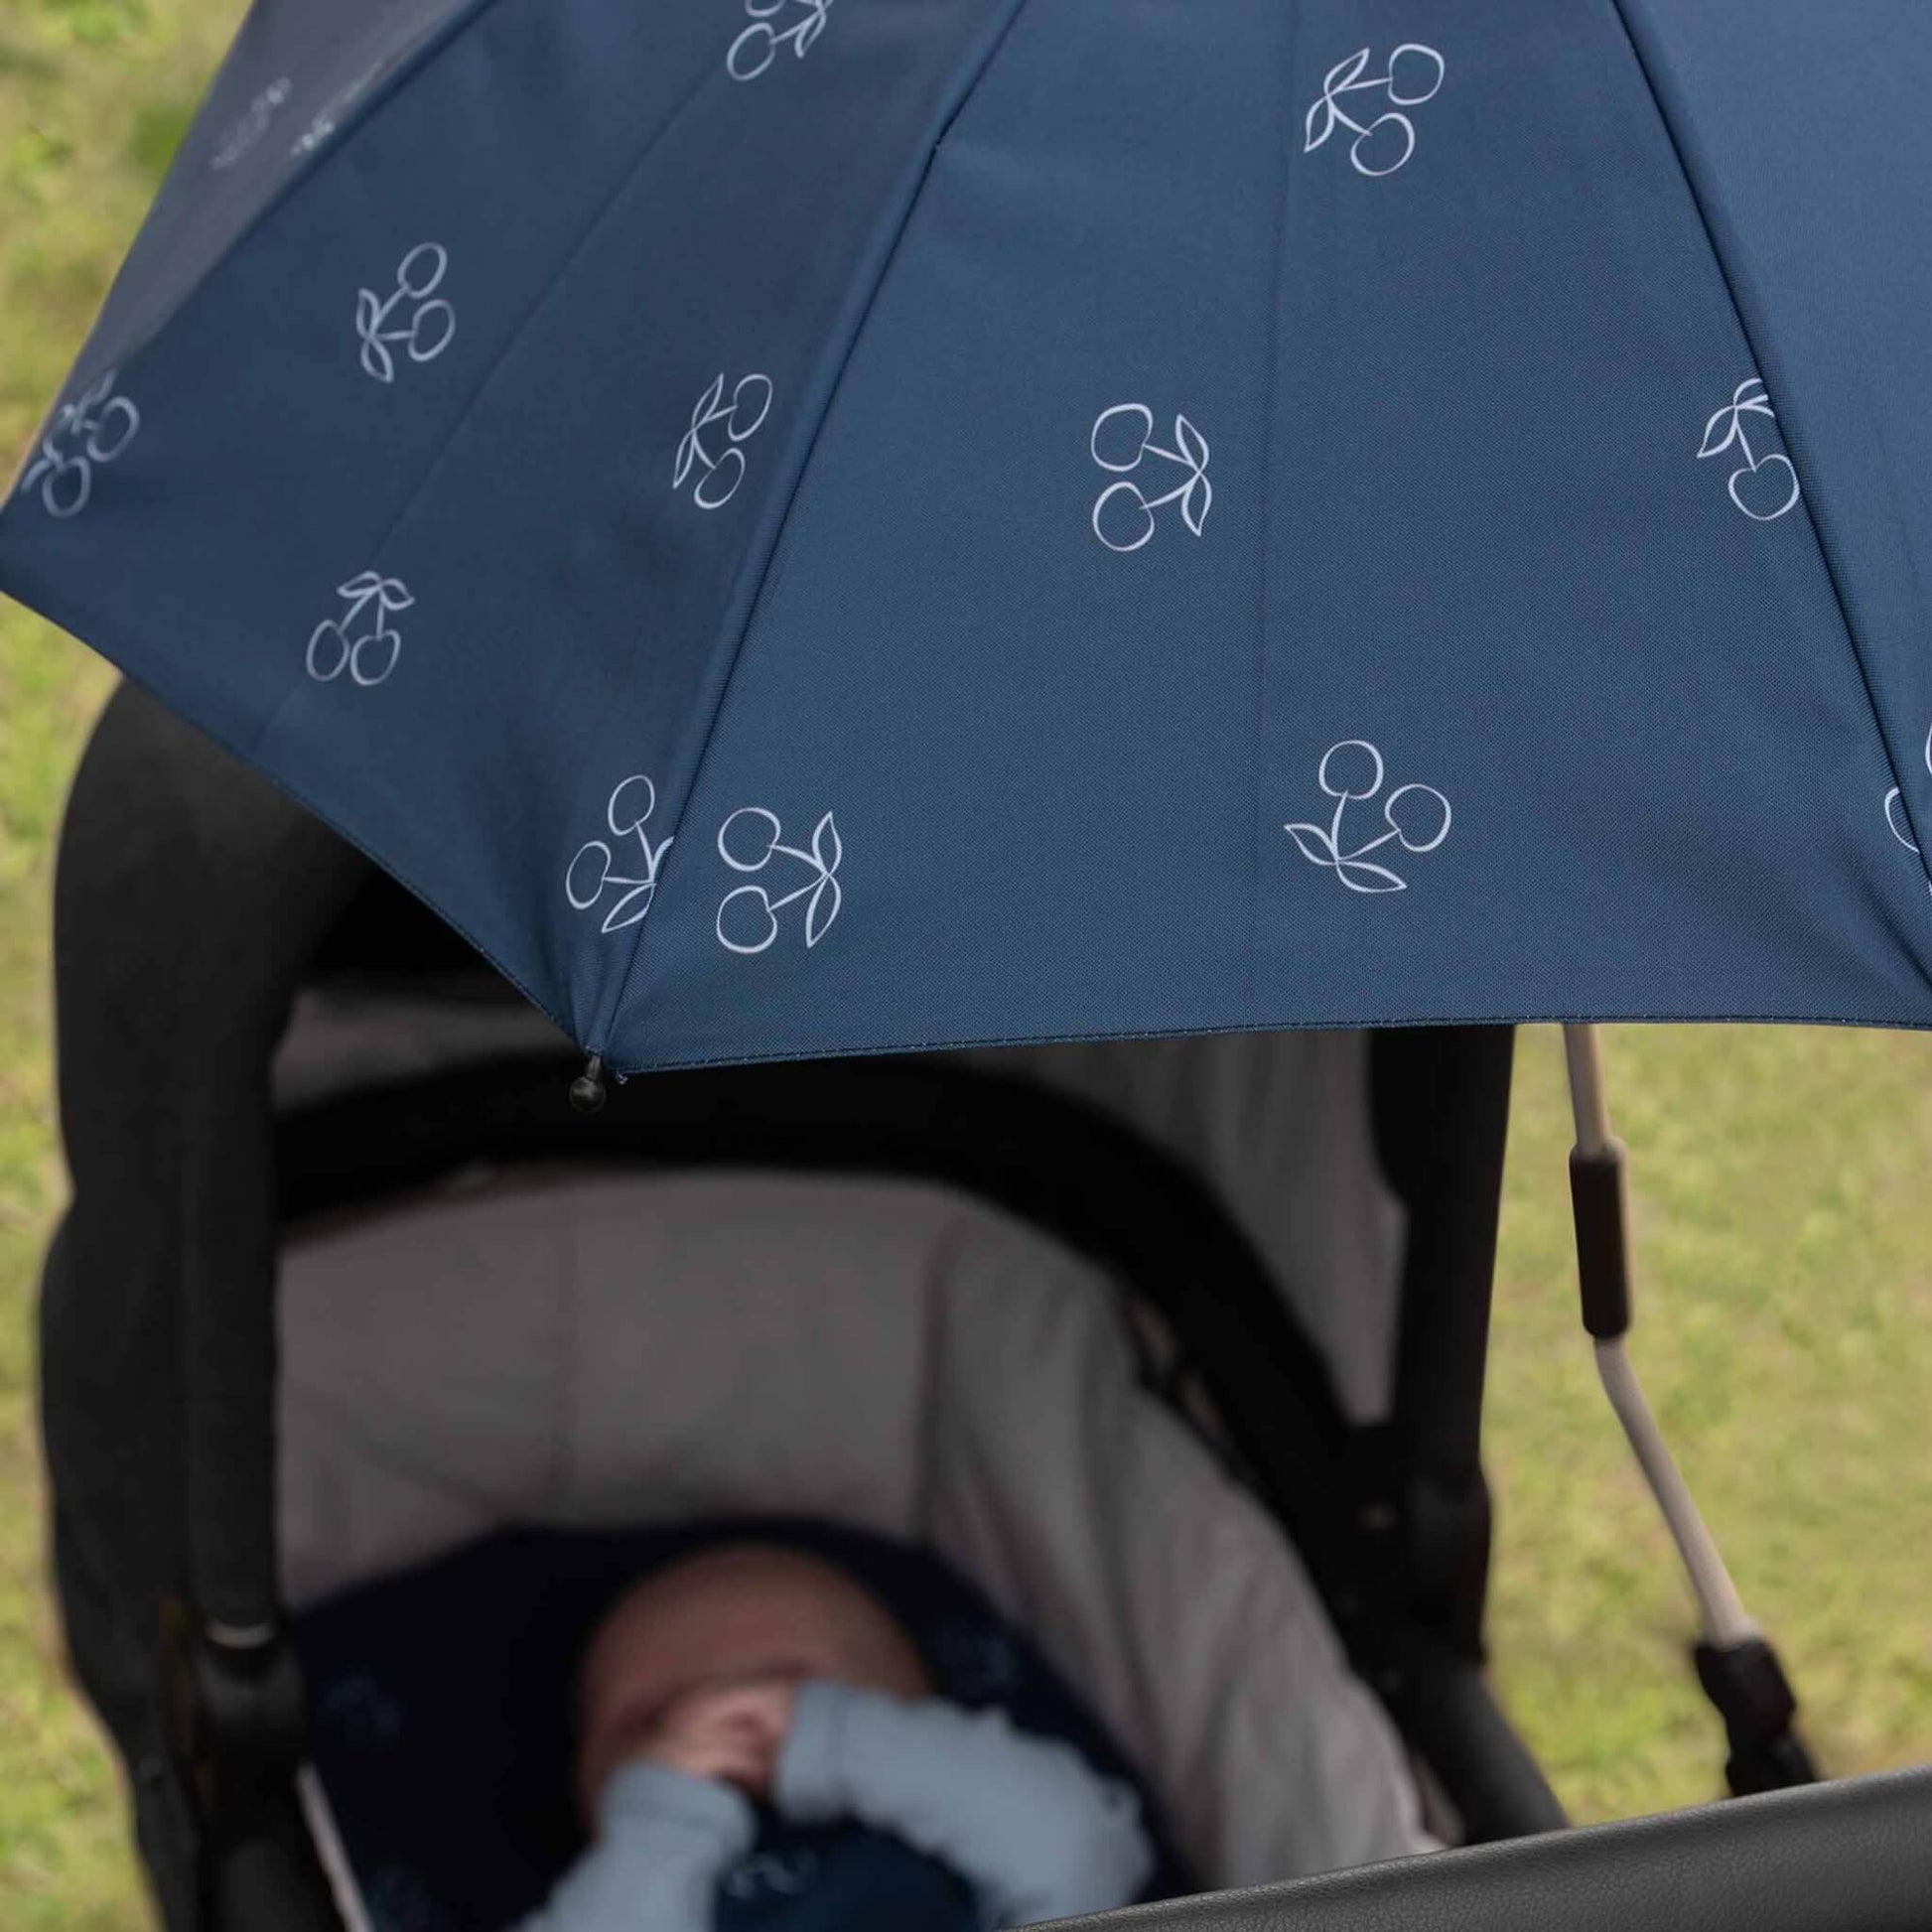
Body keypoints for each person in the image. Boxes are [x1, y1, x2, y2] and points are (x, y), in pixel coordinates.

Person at [517, 1542, 1155, 1931]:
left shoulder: (968, 1882)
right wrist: (661, 1823)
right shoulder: (621, 1890)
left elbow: (1085, 1848)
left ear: (923, 1723)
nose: (723, 1723)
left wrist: (832, 1739)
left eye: (786, 1687)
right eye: (656, 1722)